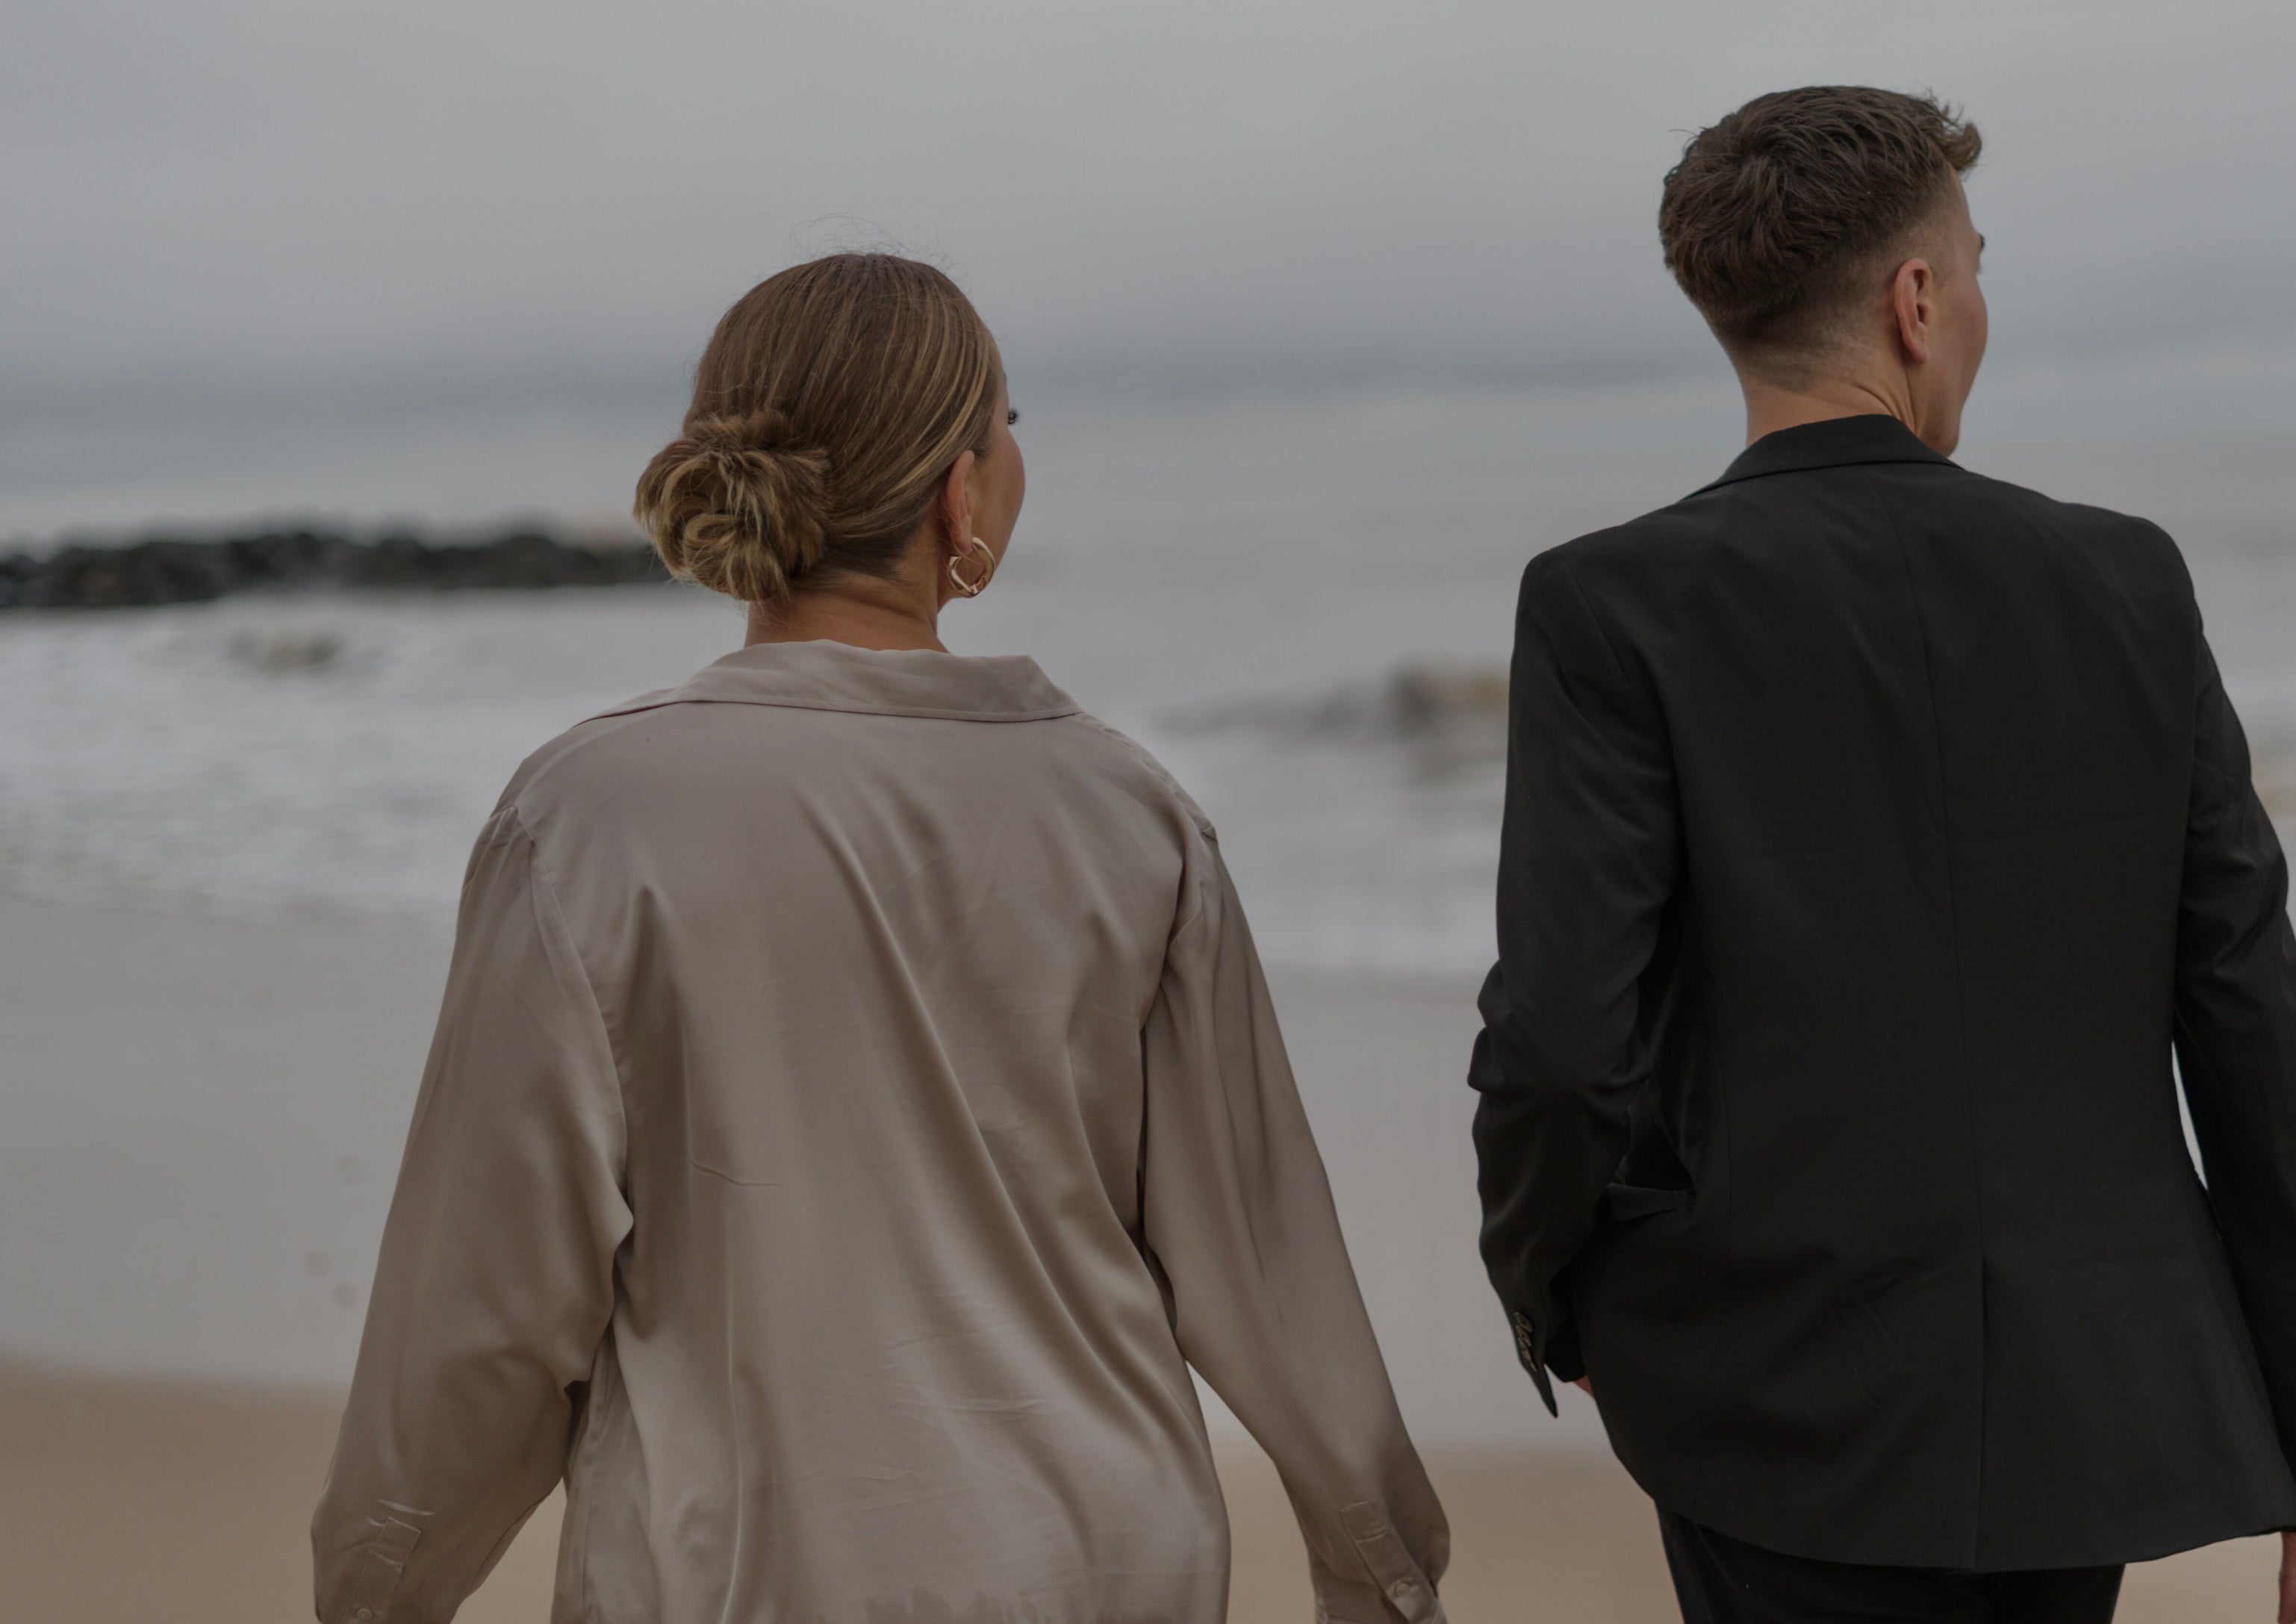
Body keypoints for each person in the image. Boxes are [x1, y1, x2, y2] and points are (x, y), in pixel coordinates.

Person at [310, 253, 1448, 1624]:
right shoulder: (1133, 815)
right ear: (960, 494)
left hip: (735, 1573)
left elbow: (487, 1308)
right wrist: (1383, 1572)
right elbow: (1265, 1266)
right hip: (1100, 1568)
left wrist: (379, 1587)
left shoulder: (587, 818)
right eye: (1008, 426)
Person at [1467, 87, 2296, 1624]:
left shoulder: (1609, 606)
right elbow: (2251, 1026)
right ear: (1916, 301)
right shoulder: (2127, 581)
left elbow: (1566, 1042)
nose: (1980, 301)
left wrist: (1552, 1282)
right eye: (1973, 263)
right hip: (2082, 1397)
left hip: (1768, 1396)